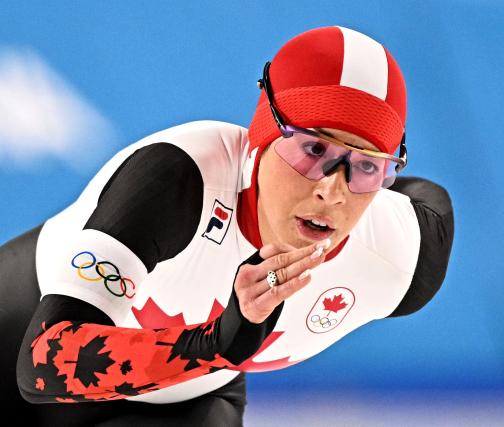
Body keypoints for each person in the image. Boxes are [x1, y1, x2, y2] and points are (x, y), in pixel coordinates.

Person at [1, 26, 454, 426]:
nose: (333, 191)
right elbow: (44, 360)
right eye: (314, 150)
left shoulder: (399, 256)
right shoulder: (180, 179)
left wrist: (217, 351)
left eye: (367, 167)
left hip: (179, 405)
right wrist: (213, 344)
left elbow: (429, 202)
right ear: (261, 138)